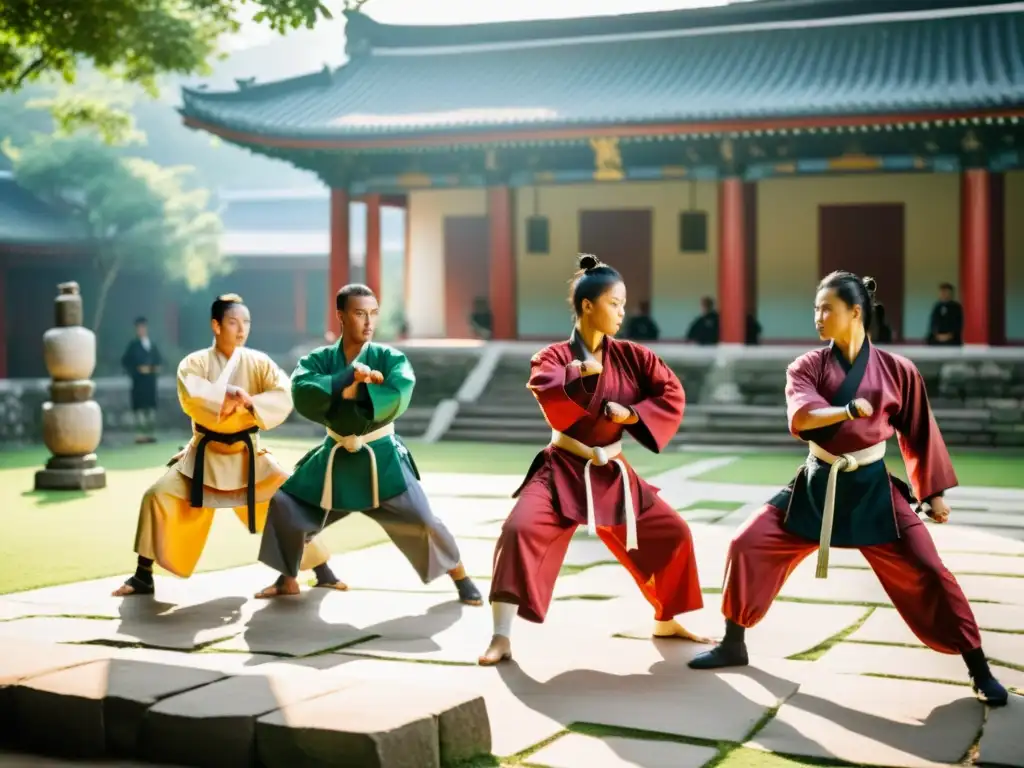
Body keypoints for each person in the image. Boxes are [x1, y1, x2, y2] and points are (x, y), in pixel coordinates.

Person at [688, 271, 1008, 707]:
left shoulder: (899, 371)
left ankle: (978, 667)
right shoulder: (806, 366)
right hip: (818, 482)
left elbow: (918, 432)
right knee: (748, 543)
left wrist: (933, 493)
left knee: (930, 571)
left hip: (873, 488)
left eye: (827, 309)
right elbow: (801, 418)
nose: (818, 317)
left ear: (855, 313)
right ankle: (733, 642)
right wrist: (842, 410)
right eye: (816, 309)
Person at [479, 254, 707, 666]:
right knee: (518, 529)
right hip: (562, 467)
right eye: (614, 303)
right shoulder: (552, 356)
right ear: (588, 306)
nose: (622, 312)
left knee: (673, 532)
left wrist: (632, 414)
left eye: (622, 304)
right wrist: (575, 372)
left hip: (613, 471)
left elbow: (670, 392)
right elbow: (545, 385)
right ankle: (501, 635)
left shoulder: (634, 356)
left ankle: (667, 618)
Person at [254, 284, 483, 605]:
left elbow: (400, 390)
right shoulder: (319, 359)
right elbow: (302, 389)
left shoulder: (390, 357)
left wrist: (358, 392)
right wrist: (346, 381)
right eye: (359, 313)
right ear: (341, 316)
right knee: (286, 506)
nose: (368, 321)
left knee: (424, 519)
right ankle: (287, 578)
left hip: (381, 458)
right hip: (334, 457)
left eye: (373, 314)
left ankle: (461, 577)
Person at [112, 294, 340, 597]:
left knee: (291, 503)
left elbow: (283, 394)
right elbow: (191, 391)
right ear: (216, 325)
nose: (241, 328)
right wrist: (224, 394)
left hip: (248, 458)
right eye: (233, 322)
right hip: (202, 458)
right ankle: (143, 575)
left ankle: (317, 572)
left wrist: (251, 402)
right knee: (156, 497)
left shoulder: (259, 363)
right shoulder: (195, 362)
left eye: (246, 322)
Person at [121, 316, 162, 444]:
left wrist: (153, 369)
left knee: (150, 409)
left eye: (143, 327)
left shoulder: (152, 345)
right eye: (139, 328)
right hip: (138, 383)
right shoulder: (133, 346)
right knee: (139, 409)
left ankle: (150, 434)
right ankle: (140, 435)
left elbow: (159, 361)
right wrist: (137, 370)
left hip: (150, 382)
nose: (141, 330)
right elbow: (125, 362)